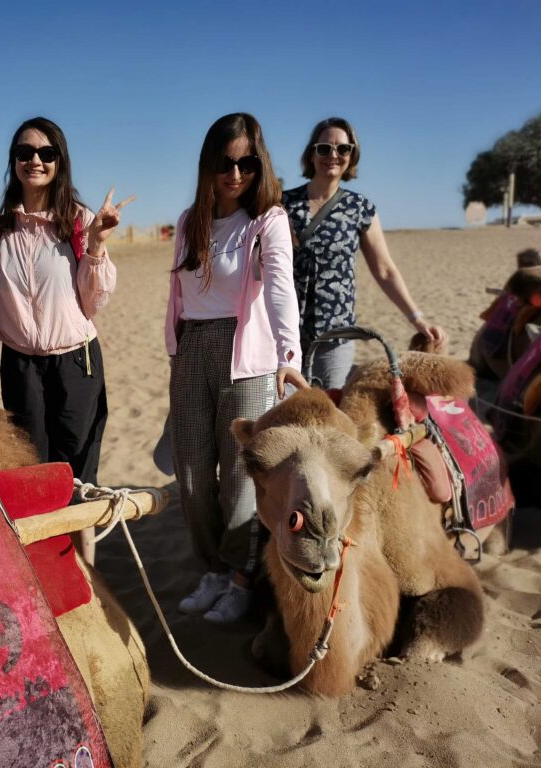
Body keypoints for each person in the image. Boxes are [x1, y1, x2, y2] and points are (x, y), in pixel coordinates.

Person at [165, 113, 308, 622]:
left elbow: (278, 288)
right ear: (209, 164)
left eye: (247, 162)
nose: (235, 173)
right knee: (192, 475)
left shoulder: (267, 220)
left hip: (246, 354)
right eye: (225, 162)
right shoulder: (189, 221)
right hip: (192, 349)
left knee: (241, 481)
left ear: (259, 162)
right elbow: (180, 296)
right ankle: (214, 569)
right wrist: (177, 350)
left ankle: (242, 579)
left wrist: (288, 355)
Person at [0, 116, 132, 565]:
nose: (35, 161)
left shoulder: (80, 221)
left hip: (76, 363)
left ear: (60, 161)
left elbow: (94, 300)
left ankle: (86, 576)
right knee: (34, 473)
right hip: (19, 365)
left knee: (78, 474)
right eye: (25, 153)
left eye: (46, 153)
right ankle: (45, 572)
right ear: (14, 162)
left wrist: (97, 244)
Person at [282, 117, 446, 388]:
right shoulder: (283, 203)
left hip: (335, 335)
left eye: (343, 149)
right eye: (324, 148)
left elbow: (384, 269)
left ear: (352, 155)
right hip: (284, 334)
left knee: (328, 415)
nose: (333, 155)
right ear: (312, 153)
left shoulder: (360, 208)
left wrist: (417, 318)